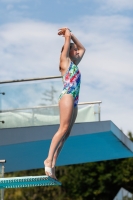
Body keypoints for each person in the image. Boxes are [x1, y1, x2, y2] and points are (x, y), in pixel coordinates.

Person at [44, 27, 85, 180]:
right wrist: (67, 36)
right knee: (63, 128)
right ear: (68, 52)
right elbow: (69, 46)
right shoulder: (65, 62)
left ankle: (53, 162)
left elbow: (83, 48)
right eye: (74, 50)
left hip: (74, 99)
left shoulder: (75, 64)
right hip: (67, 95)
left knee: (67, 133)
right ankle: (48, 159)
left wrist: (73, 35)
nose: (77, 51)